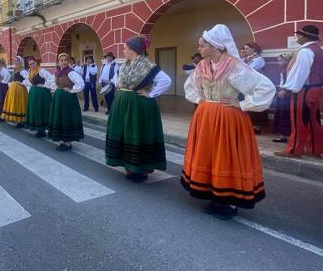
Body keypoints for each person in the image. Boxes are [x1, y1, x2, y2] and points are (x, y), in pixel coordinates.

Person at [182, 24, 275, 220]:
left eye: (202, 45)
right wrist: (201, 101)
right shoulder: (202, 66)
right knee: (210, 155)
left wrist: (243, 103)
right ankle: (215, 196)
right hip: (206, 116)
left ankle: (229, 202)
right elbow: (190, 87)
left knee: (227, 156)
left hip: (228, 117)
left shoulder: (235, 66)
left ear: (216, 46)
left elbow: (266, 88)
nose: (199, 48)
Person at [105, 36, 171, 183]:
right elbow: (117, 81)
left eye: (125, 48)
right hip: (122, 103)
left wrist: (151, 93)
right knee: (125, 134)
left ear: (133, 50)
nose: (123, 51)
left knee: (137, 133)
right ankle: (128, 165)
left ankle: (141, 169)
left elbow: (166, 80)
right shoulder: (124, 65)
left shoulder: (148, 66)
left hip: (138, 105)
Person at [276, 25, 323, 158]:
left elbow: (299, 73)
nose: (297, 37)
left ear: (305, 36)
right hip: (315, 89)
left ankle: (294, 150)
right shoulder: (318, 50)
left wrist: (286, 88)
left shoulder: (305, 51)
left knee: (299, 120)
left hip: (303, 90)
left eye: (298, 34)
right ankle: (314, 150)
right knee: (312, 120)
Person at [49, 53, 85, 151]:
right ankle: (62, 141)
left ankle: (68, 143)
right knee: (60, 118)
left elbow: (81, 83)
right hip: (58, 98)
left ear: (68, 61)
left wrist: (72, 90)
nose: (63, 62)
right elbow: (52, 84)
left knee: (66, 118)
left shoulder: (71, 72)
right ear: (59, 62)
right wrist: (55, 91)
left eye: (65, 60)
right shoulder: (56, 72)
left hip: (68, 99)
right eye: (61, 60)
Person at [24, 58, 54, 138]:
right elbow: (28, 81)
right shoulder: (29, 72)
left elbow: (51, 79)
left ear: (36, 63)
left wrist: (43, 85)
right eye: (30, 64)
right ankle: (40, 130)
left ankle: (48, 130)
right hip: (34, 93)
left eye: (33, 63)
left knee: (44, 110)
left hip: (43, 94)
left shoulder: (41, 71)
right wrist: (23, 83)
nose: (32, 65)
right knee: (36, 110)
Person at [242, 42, 268, 134]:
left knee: (255, 104)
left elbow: (250, 71)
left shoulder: (259, 60)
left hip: (256, 85)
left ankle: (256, 127)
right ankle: (248, 125)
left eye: (247, 48)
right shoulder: (245, 59)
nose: (245, 50)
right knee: (247, 104)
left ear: (254, 49)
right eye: (244, 49)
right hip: (247, 85)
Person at [1, 56, 29, 127]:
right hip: (13, 88)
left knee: (20, 104)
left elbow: (28, 79)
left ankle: (21, 121)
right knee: (14, 103)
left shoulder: (23, 70)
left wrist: (22, 83)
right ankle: (17, 119)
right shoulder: (15, 69)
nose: (15, 62)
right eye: (15, 60)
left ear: (20, 61)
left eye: (17, 60)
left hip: (20, 89)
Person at [272, 53, 293, 142]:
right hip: (282, 94)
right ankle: (282, 136)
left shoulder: (292, 71)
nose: (279, 63)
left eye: (281, 60)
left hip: (289, 96)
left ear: (287, 61)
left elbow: (291, 82)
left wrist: (284, 90)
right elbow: (281, 82)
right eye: (278, 61)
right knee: (281, 114)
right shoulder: (283, 71)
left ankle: (289, 136)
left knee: (287, 115)